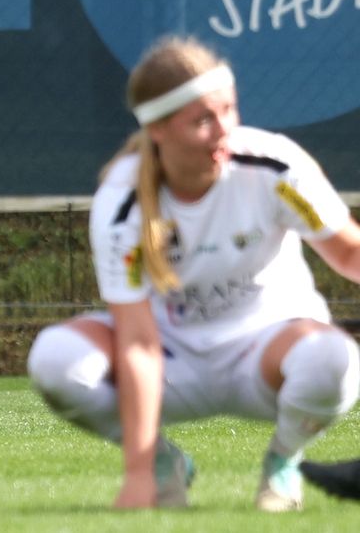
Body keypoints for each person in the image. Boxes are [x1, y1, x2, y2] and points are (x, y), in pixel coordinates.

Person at [27, 35, 360, 511]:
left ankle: (283, 466)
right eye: (203, 119)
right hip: (172, 362)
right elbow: (139, 342)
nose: (223, 129)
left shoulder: (275, 167)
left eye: (229, 110)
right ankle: (167, 466)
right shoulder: (122, 203)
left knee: (334, 360)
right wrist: (139, 473)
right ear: (158, 129)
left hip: (264, 355)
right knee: (56, 360)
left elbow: (349, 253)